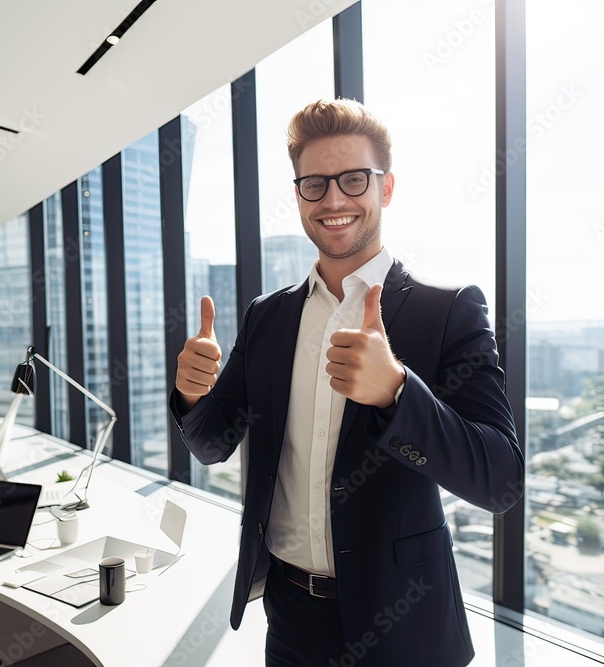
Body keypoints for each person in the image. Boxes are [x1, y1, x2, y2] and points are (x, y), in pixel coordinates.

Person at [170, 98, 523, 666]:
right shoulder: (269, 316)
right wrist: (193, 392)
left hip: (404, 624)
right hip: (288, 615)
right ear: (299, 196)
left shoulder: (447, 310)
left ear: (385, 189)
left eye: (354, 179)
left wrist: (397, 392)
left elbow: (500, 481)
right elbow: (212, 445)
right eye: (315, 184)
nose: (333, 199)